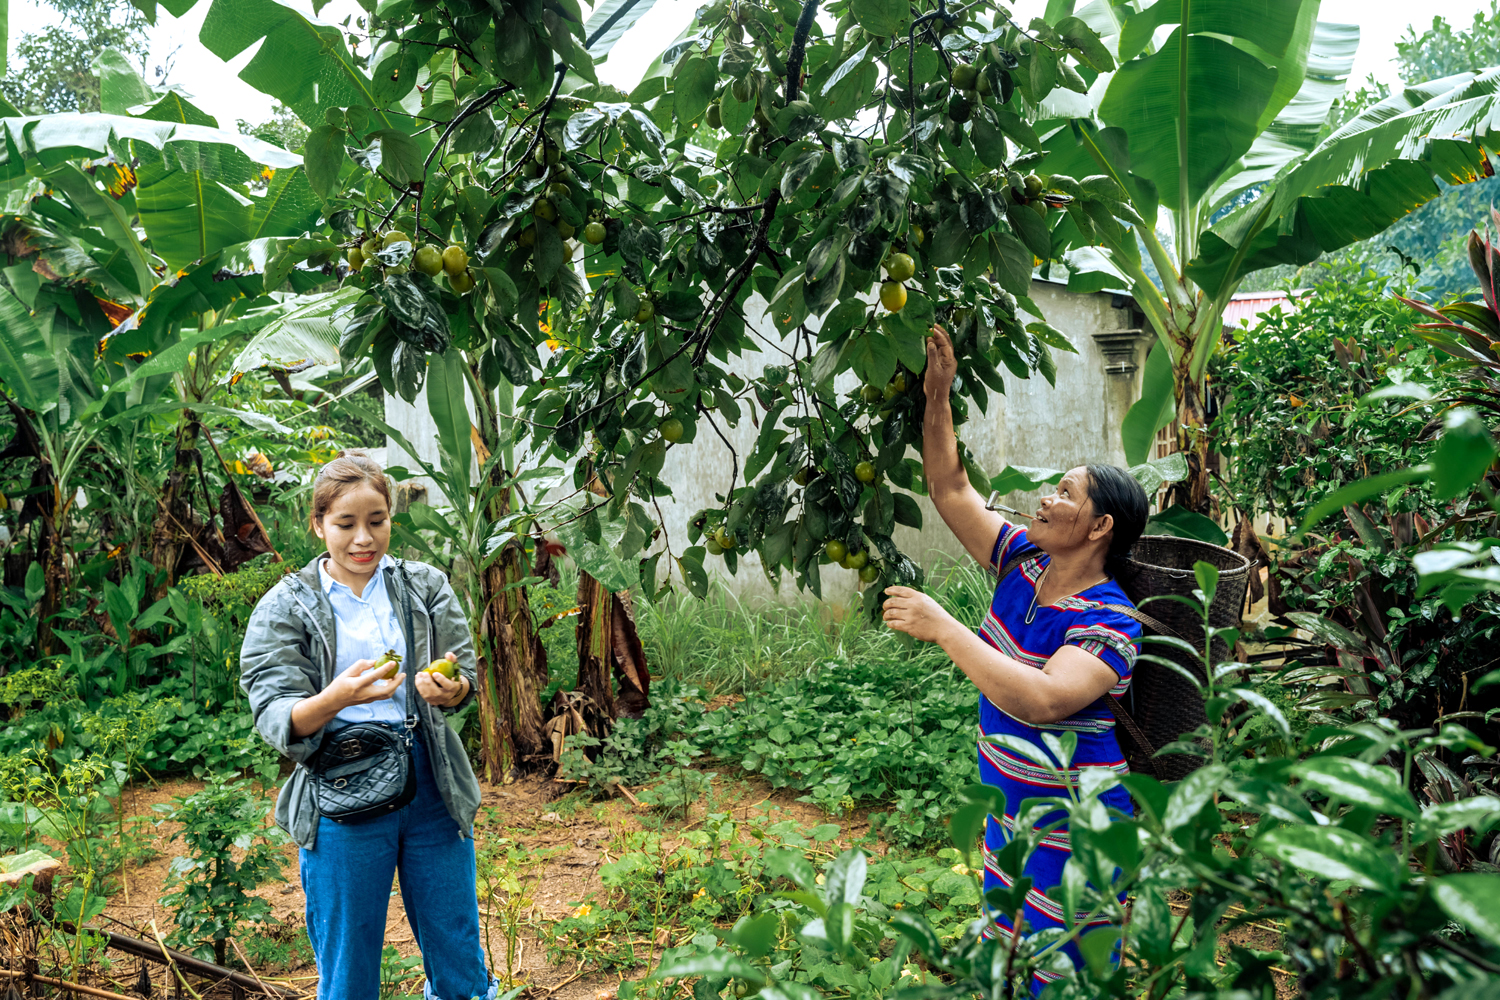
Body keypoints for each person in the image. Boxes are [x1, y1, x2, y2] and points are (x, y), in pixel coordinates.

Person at [880, 327, 1149, 995]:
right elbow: (949, 487)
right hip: (1014, 818)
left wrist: (946, 629)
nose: (1045, 500)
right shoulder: (1023, 561)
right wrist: (937, 396)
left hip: (1079, 828)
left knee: (1068, 974)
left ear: (1100, 527)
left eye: (1065, 494)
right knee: (1014, 960)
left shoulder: (1109, 620)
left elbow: (1044, 699)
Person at [239, 454, 497, 1000]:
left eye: (377, 521)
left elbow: (466, 675)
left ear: (390, 519)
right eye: (346, 524)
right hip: (341, 782)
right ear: (318, 524)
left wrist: (450, 689)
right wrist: (335, 698)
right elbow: (275, 713)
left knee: (456, 950)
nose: (364, 539)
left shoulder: (424, 585)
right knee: (349, 964)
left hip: (432, 780)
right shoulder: (286, 606)